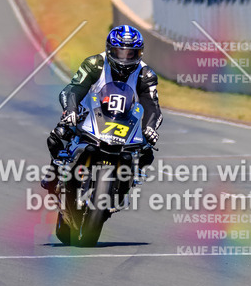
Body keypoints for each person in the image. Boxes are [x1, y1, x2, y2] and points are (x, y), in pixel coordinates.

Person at [42, 25, 162, 190]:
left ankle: (129, 181)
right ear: (110, 50)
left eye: (131, 54)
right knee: (59, 135)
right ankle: (54, 172)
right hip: (88, 115)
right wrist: (70, 111)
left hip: (124, 123)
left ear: (139, 53)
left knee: (147, 152)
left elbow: (152, 105)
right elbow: (73, 89)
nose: (125, 59)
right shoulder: (95, 63)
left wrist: (150, 128)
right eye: (120, 52)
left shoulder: (145, 74)